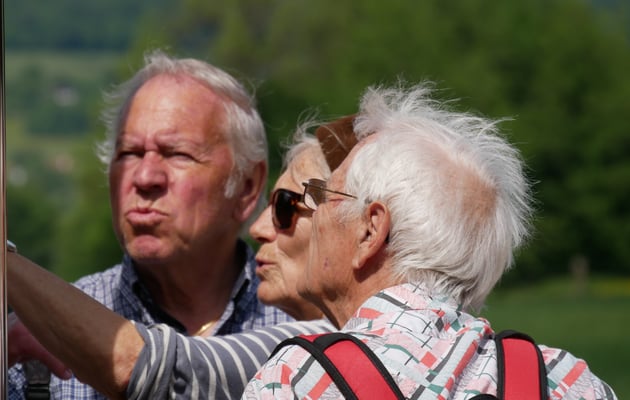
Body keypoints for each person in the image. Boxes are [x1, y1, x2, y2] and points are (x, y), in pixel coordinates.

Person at [243, 82, 618, 399]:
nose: (316, 213)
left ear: (371, 231)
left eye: (326, 196)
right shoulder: (567, 380)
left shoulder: (298, 380)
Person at [7, 48, 298, 399]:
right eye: (128, 153)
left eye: (177, 154)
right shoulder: (38, 337)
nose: (144, 177)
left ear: (247, 187)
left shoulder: (304, 324)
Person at [7, 117, 360, 398]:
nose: (259, 229)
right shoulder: (31, 321)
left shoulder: (333, 344)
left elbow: (146, 366)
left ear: (367, 229)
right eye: (128, 152)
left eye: (284, 206)